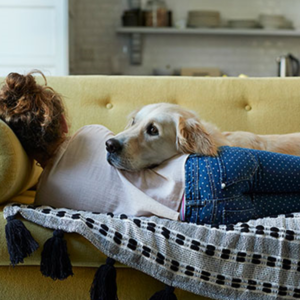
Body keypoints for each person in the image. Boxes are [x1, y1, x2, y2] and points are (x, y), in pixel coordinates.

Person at [1, 71, 300, 227]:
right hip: (218, 166)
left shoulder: (46, 199)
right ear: (63, 122)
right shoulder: (91, 134)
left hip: (203, 213)